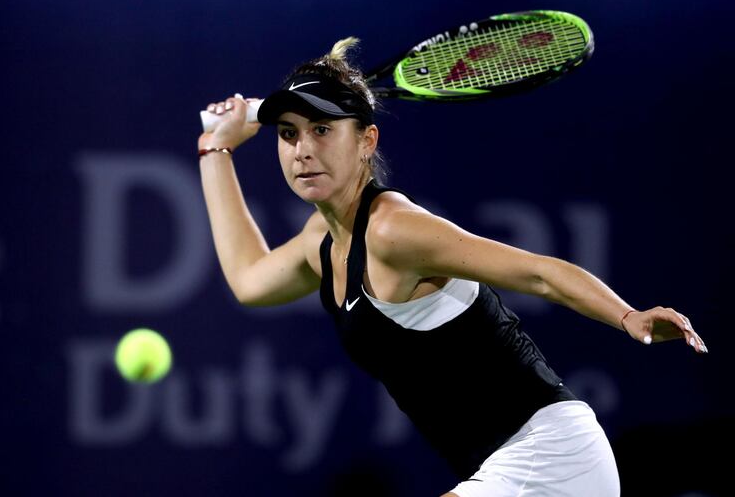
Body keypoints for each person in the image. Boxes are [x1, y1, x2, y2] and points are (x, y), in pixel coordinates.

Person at [197, 37, 708, 497]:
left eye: (323, 130)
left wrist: (628, 316)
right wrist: (215, 150)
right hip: (504, 466)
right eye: (288, 134)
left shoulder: (393, 229)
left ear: (367, 141)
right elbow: (249, 281)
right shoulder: (321, 241)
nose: (303, 151)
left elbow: (538, 273)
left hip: (551, 455)